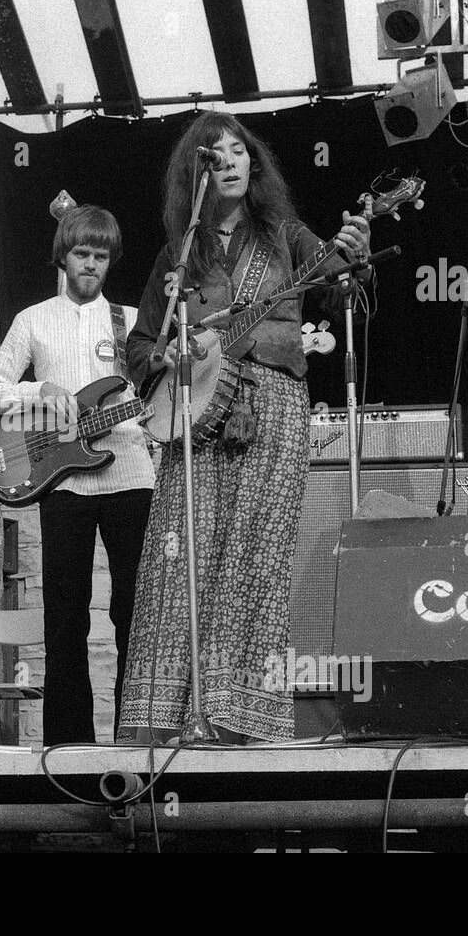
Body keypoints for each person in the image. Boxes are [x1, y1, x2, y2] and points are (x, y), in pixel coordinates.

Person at [116, 112, 369, 744]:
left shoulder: (286, 235)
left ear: (254, 164)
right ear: (193, 172)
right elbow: (140, 346)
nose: (227, 161)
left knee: (253, 558)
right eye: (213, 154)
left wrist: (355, 259)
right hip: (192, 419)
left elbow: (340, 291)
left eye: (238, 151)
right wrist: (167, 359)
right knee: (181, 557)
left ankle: (237, 718)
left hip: (273, 405)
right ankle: (166, 718)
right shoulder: (178, 257)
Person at [0, 205, 154, 745]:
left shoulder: (129, 320)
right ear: (63, 255)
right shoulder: (32, 319)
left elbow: (158, 394)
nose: (91, 266)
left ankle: (135, 733)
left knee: (135, 612)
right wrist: (40, 392)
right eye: (83, 254)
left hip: (130, 474)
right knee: (65, 617)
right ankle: (67, 743)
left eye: (101, 257)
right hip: (64, 481)